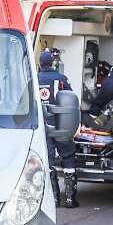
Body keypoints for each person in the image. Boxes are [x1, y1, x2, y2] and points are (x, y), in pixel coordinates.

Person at [38, 50, 79, 208]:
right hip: (61, 125)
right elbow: (71, 99)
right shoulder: (61, 79)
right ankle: (70, 198)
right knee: (68, 157)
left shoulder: (34, 78)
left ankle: (54, 199)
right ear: (53, 63)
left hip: (43, 128)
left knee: (49, 162)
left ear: (40, 64)